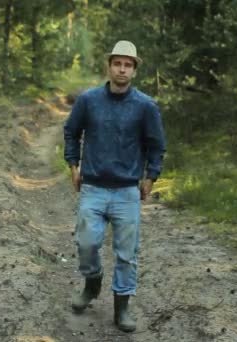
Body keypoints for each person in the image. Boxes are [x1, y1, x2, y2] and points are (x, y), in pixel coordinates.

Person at [63, 40, 166, 333]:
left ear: (134, 70)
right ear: (108, 66)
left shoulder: (145, 106)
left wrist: (150, 177)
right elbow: (71, 132)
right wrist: (73, 166)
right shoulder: (89, 100)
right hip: (93, 186)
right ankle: (92, 283)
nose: (122, 69)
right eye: (117, 63)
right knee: (87, 243)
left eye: (127, 64)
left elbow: (156, 145)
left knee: (126, 253)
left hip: (126, 191)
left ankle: (122, 308)